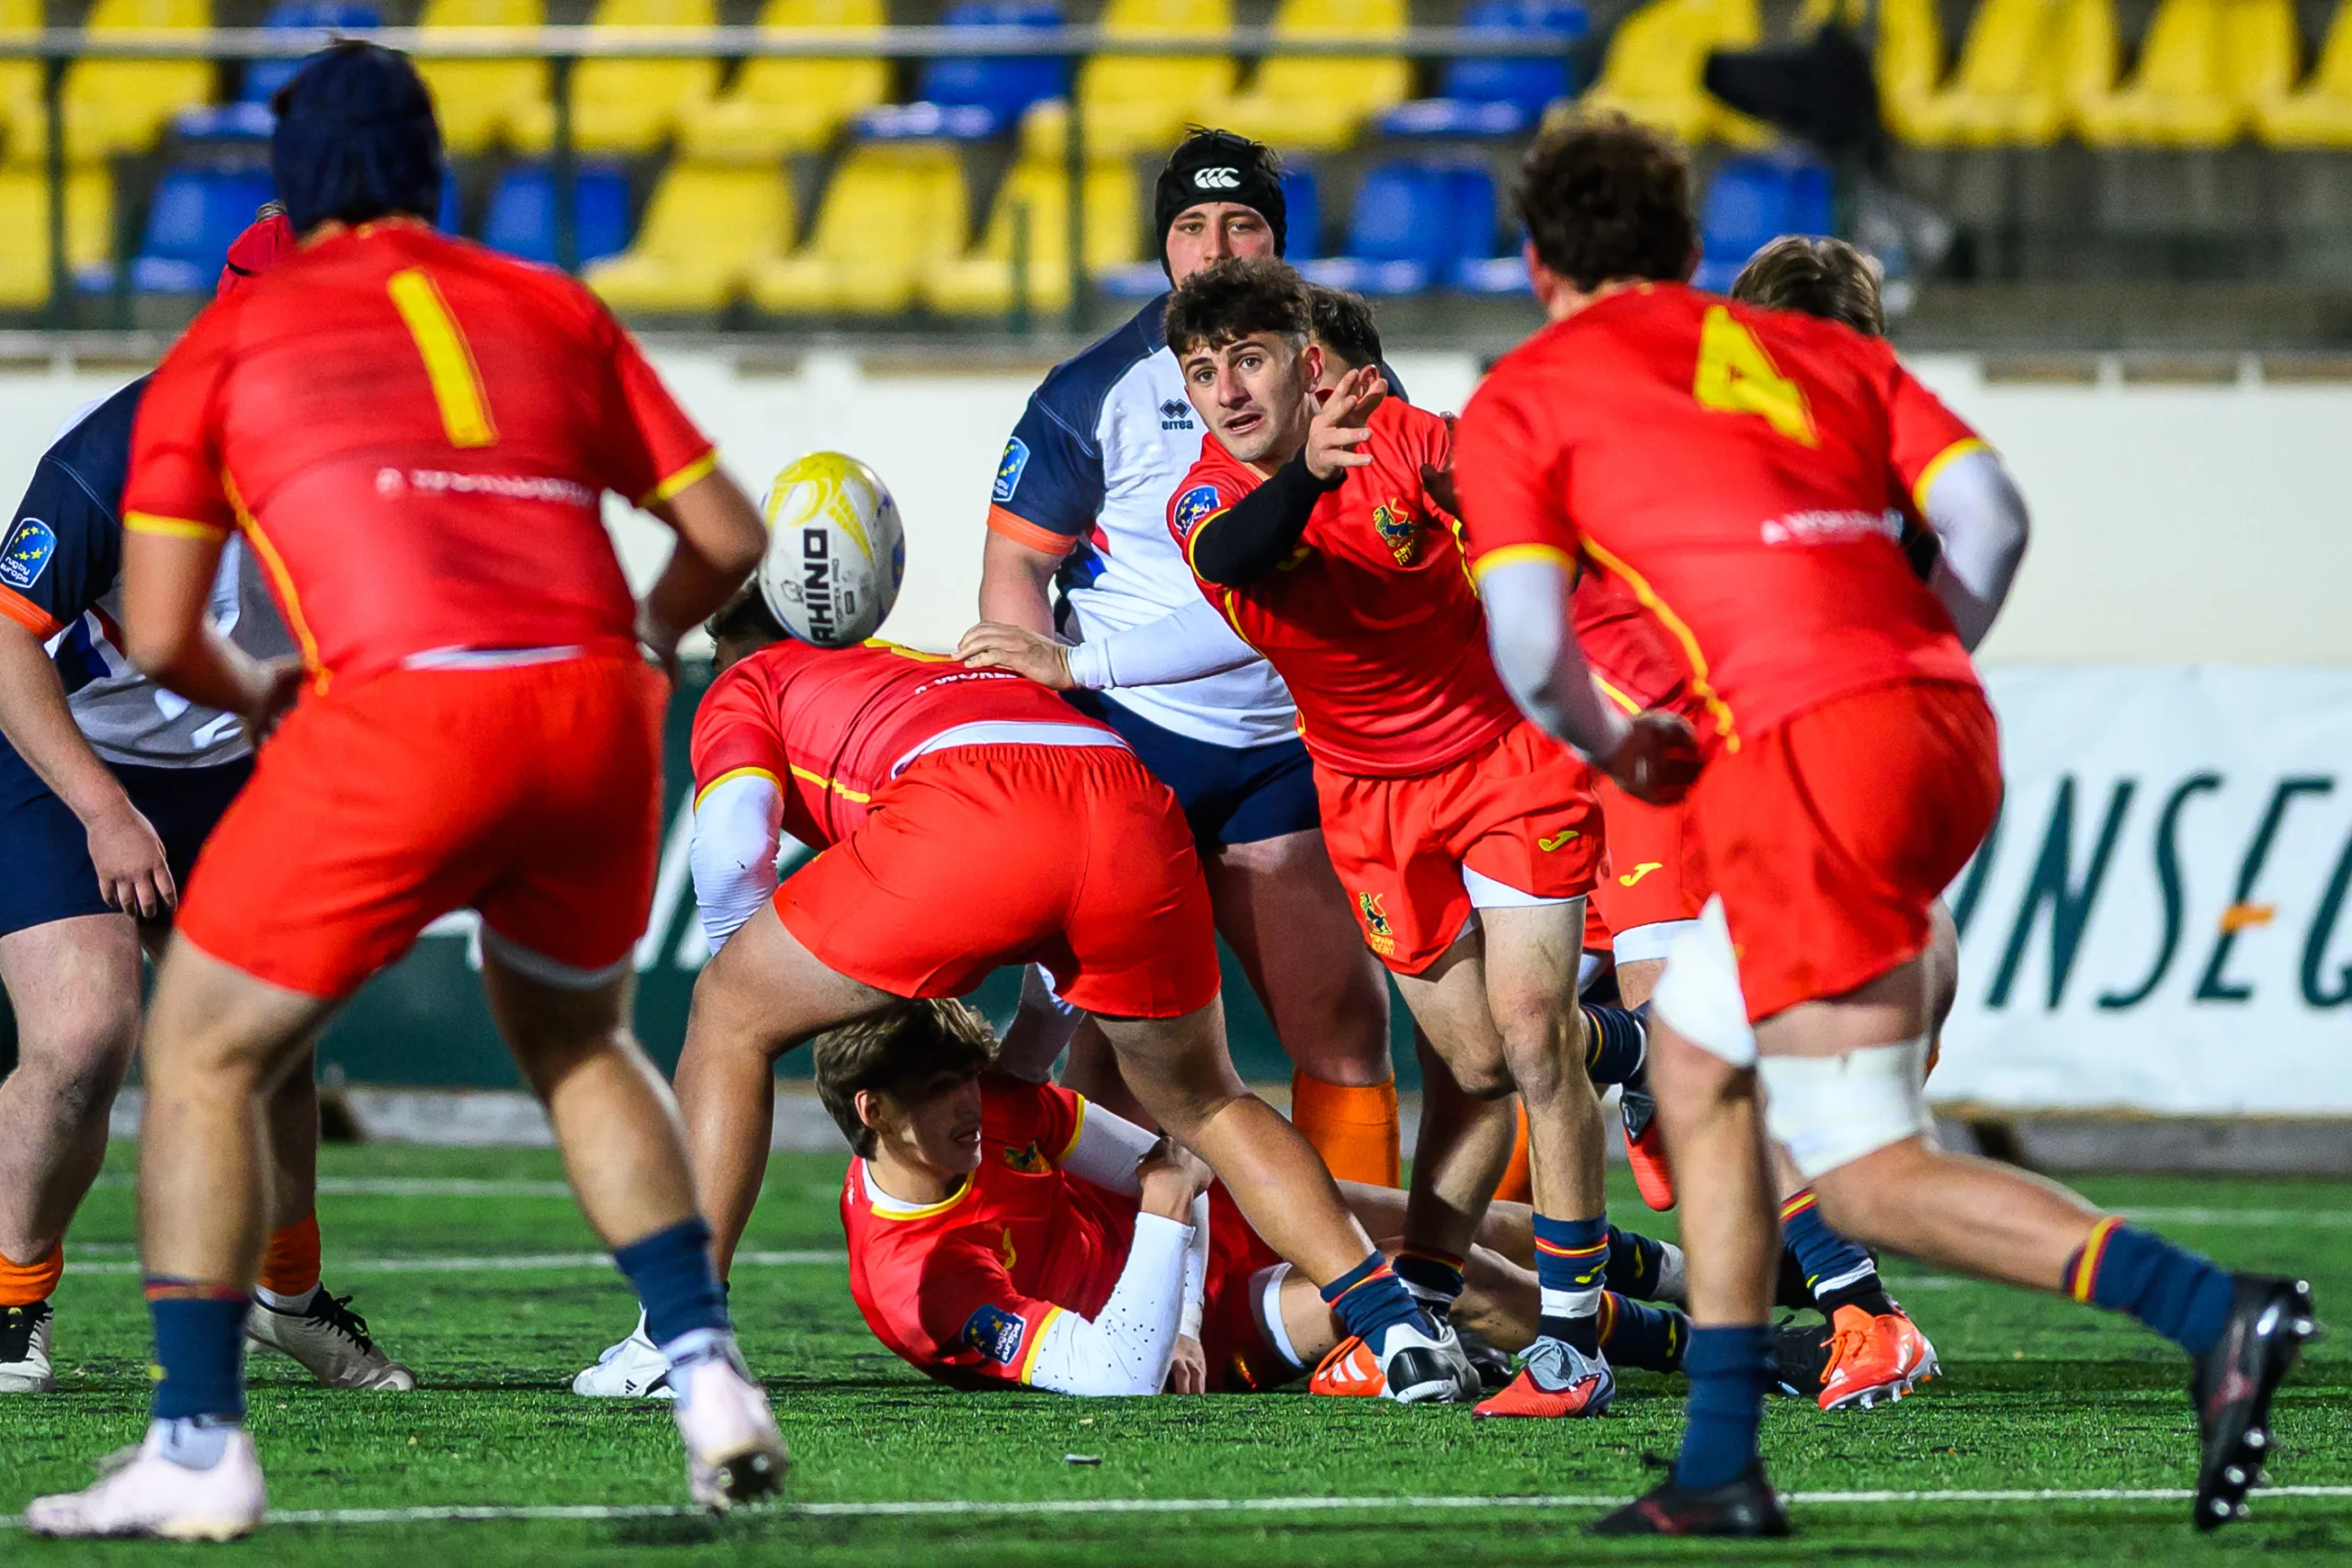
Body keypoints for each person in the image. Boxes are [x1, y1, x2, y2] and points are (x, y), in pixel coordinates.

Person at [1453, 114, 2316, 1537]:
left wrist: (1629, 745)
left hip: (1801, 752)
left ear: (1539, 266)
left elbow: (1533, 646)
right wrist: (1914, 660)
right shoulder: (1825, 349)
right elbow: (1991, 516)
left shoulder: (1531, 393)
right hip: (1938, 721)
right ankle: (1721, 1460)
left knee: (1858, 1161)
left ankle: (2213, 1307)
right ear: (1685, 252)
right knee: (1697, 1061)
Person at [27, 42, 783, 1540]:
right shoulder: (552, 305)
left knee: (196, 1049)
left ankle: (195, 1441)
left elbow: (168, 627)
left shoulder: (226, 348)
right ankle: (707, 1374)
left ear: (287, 199)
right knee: (576, 1042)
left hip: (396, 714)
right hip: (594, 712)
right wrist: (633, 643)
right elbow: (728, 532)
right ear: (436, 177)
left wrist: (266, 703)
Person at [574, 589, 1477, 1408]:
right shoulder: (909, 665)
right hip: (1124, 797)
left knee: (727, 1015)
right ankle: (1396, 1328)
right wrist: (1021, 1073)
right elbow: (1054, 954)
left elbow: (732, 853)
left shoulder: (750, 679)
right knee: (1208, 1103)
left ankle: (676, 1339)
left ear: (728, 640)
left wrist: (754, 978)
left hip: (970, 812)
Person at [1135, 255, 1650, 1423]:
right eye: (1202, 372)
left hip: (1505, 760)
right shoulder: (1203, 504)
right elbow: (1235, 559)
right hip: (1369, 803)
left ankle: (1569, 1344)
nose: (1226, 390)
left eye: (1249, 360)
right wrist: (1309, 480)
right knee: (1473, 1067)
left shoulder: (1404, 438)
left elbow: (1523, 506)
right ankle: (1630, 1046)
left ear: (1308, 363)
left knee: (1527, 1040)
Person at [0, 207, 409, 1398]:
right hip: (66, 764)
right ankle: (12, 1302)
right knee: (83, 1036)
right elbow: (8, 640)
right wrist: (101, 810)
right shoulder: (121, 448)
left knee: (274, 1039)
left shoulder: (373, 452)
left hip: (240, 770)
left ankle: (285, 1298)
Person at [967, 130, 1401, 1186]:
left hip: (1280, 754)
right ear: (1163, 248)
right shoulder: (1095, 387)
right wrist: (1051, 724)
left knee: (1344, 1030)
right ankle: (1110, 1292)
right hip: (1132, 749)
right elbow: (1015, 567)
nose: (1214, 248)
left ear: (1277, 246)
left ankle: (1352, 1308)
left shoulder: (1341, 375)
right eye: (1191, 227)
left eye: (1242, 223)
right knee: (1120, 1048)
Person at [813, 998, 1696, 1398]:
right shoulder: (919, 1283)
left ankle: (1715, 1275)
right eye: (939, 1089)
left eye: (966, 1077)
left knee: (1466, 1222)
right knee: (1442, 1275)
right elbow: (1119, 1373)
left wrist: (1175, 1253)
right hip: (1195, 1317)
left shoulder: (999, 1107)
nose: (970, 1101)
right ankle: (1711, 1343)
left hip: (1194, 1263)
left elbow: (1175, 1163)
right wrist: (1187, 1307)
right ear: (873, 1110)